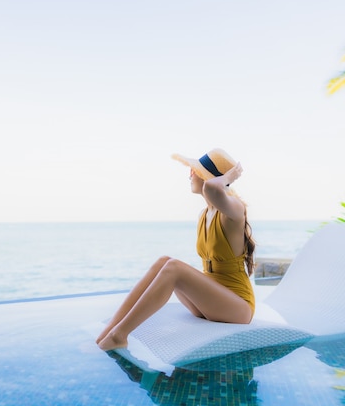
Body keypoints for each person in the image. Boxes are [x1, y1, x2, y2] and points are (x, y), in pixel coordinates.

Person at [96, 148, 256, 351]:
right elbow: (212, 190)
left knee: (174, 268)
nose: (189, 174)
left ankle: (120, 335)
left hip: (237, 307)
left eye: (194, 171)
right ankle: (109, 332)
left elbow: (212, 189)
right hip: (208, 302)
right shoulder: (205, 214)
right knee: (164, 261)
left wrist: (230, 176)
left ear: (210, 178)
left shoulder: (235, 209)